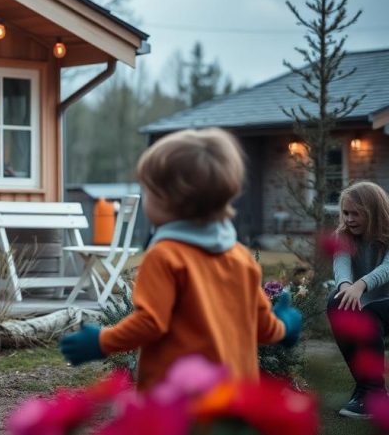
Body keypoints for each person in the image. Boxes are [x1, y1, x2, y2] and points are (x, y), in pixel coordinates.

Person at [60, 128, 302, 390]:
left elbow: (150, 323)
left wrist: (101, 341)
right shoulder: (241, 258)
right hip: (232, 402)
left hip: (176, 399)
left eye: (148, 191)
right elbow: (263, 328)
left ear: (167, 199)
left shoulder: (165, 257)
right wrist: (286, 324)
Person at [328, 181, 389, 419]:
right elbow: (341, 266)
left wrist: (360, 285)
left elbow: (387, 267)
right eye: (346, 213)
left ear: (373, 212)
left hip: (382, 302)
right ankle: (366, 389)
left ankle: (374, 393)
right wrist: (346, 287)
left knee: (368, 314)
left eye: (356, 213)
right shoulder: (343, 235)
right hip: (369, 301)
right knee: (337, 303)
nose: (350, 219)